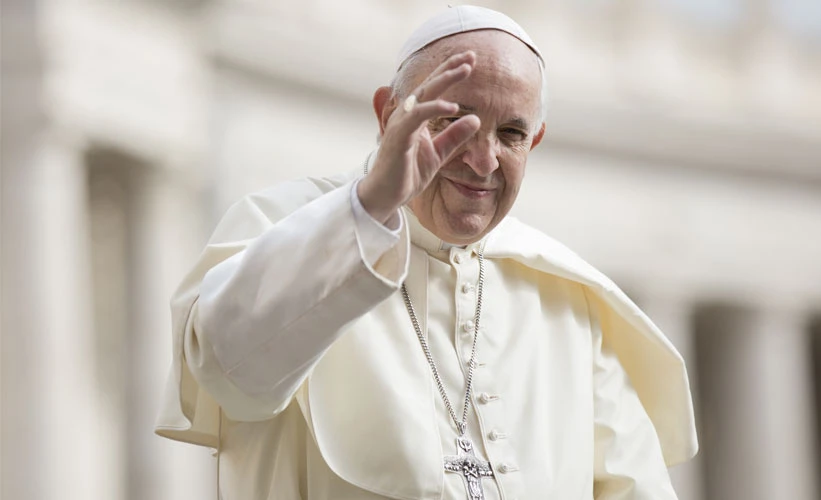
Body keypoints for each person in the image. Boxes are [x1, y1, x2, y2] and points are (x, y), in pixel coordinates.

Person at [156, 5, 697, 499]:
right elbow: (228, 370)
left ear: (534, 142)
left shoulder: (571, 300)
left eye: (510, 133)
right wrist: (368, 211)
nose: (482, 161)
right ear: (388, 115)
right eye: (453, 121)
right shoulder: (282, 224)